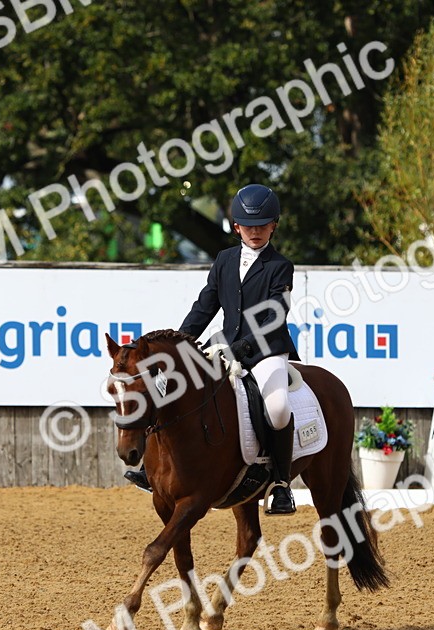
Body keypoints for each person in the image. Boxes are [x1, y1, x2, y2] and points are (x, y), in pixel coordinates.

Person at [124, 183, 301, 514]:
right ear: (236, 227)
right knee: (166, 384)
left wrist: (244, 345)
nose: (256, 231)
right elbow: (205, 306)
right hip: (226, 343)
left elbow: (275, 316)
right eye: (249, 226)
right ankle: (149, 467)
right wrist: (179, 343)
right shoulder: (224, 260)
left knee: (277, 407)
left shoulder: (280, 266)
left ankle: (280, 484)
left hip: (267, 350)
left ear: (274, 225)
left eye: (263, 225)